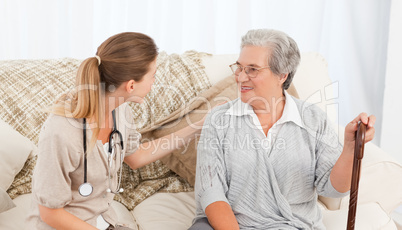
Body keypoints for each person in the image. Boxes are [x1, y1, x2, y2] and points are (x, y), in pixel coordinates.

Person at [190, 29, 376, 230]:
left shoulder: (313, 119)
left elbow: (334, 188)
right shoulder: (219, 119)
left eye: (252, 69)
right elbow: (211, 191)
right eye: (239, 67)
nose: (240, 77)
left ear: (282, 75)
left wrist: (350, 147)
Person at [25, 32, 206, 230]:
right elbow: (50, 214)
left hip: (101, 221)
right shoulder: (62, 132)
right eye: (152, 76)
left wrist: (198, 127)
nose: (154, 81)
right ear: (130, 85)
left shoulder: (119, 110)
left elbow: (135, 156)